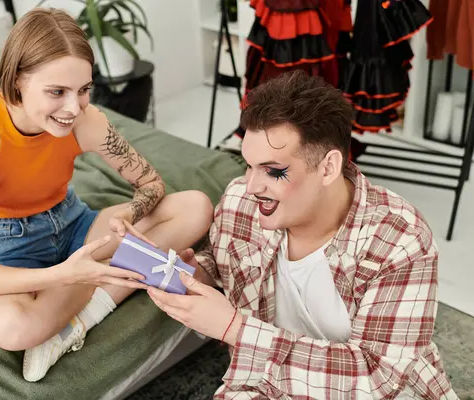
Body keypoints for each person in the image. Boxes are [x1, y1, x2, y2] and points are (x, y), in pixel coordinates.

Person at [148, 71, 458, 399]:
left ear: (327, 168)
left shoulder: (401, 241)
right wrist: (197, 273)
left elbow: (375, 379)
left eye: (273, 171)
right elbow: (224, 259)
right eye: (248, 165)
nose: (252, 186)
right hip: (270, 379)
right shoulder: (241, 201)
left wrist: (234, 329)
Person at [0, 7, 213, 383]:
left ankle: (83, 318)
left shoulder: (86, 120)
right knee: (11, 328)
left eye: (84, 90)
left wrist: (130, 215)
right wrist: (64, 275)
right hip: (12, 246)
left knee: (196, 206)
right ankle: (127, 271)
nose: (74, 108)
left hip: (74, 222)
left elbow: (151, 184)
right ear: (18, 80)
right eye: (57, 92)